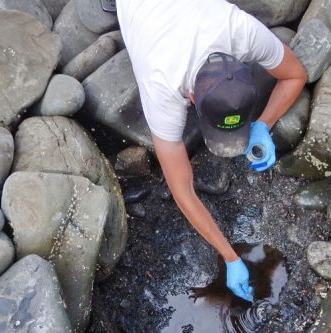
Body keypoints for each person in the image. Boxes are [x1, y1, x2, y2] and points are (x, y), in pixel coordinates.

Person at [116, 0, 306, 302]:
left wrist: (262, 125)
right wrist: (229, 257)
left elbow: (295, 74)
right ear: (191, 97)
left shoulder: (241, 30)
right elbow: (182, 190)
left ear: (244, 65)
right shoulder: (161, 84)